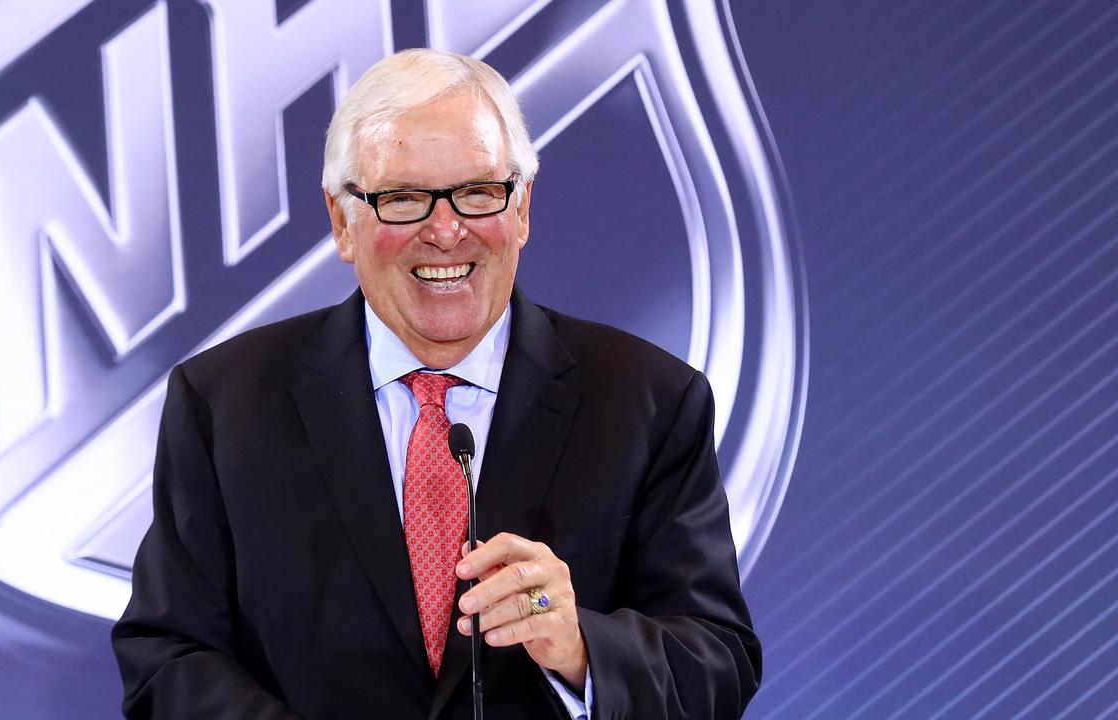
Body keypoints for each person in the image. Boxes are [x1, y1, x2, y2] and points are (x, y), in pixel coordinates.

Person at [112, 48, 760, 719]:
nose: (446, 230)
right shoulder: (224, 403)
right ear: (342, 220)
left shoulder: (648, 401)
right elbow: (168, 656)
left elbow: (717, 662)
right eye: (403, 199)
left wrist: (580, 647)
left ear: (523, 207)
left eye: (478, 192)